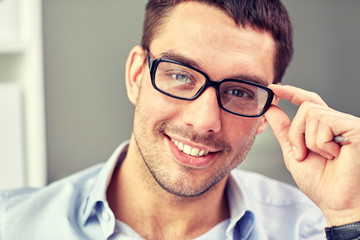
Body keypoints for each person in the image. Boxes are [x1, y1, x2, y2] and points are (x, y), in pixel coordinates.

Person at [1, 0, 360, 239]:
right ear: (137, 75)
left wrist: (348, 215)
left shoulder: (320, 228)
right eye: (181, 75)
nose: (205, 121)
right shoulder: (13, 224)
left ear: (266, 113)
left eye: (239, 91)